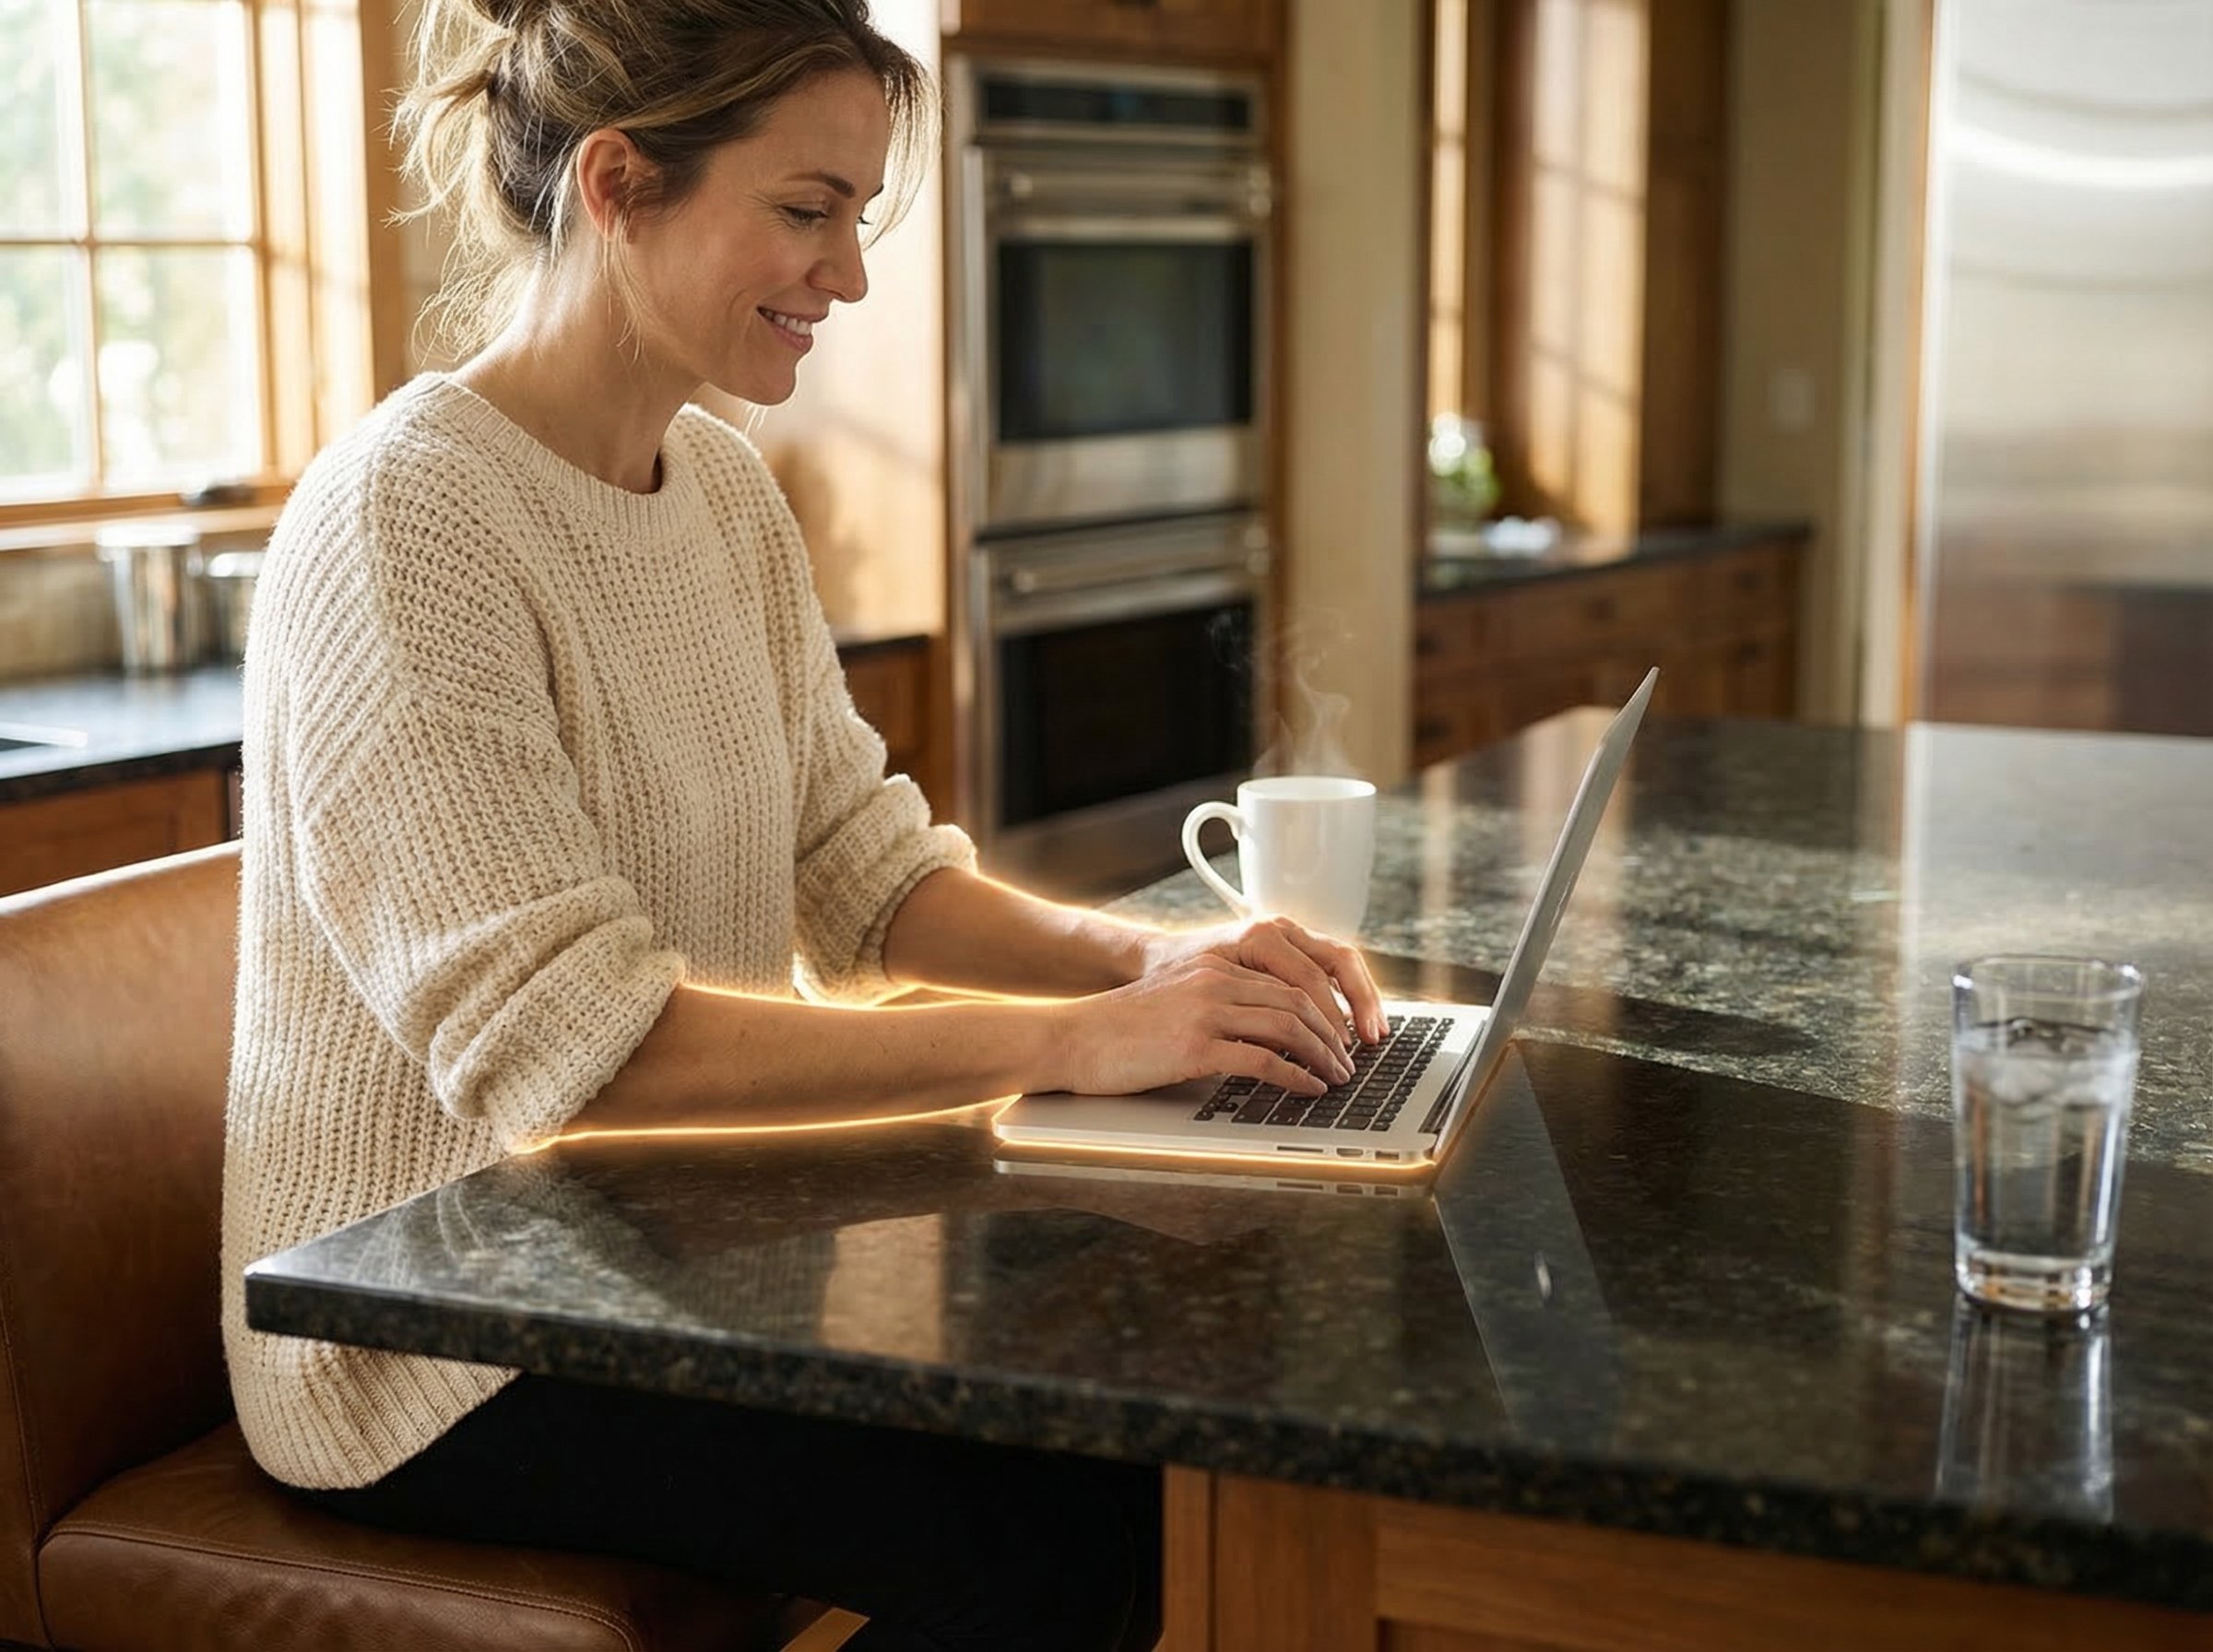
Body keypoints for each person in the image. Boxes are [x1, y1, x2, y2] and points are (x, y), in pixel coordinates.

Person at [220, 0, 1387, 1646]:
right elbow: (582, 1056)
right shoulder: (405, 524)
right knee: (1070, 1525)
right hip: (438, 1343)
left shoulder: (719, 491)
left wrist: (1166, 964)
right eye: (806, 207)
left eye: (857, 215)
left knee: (1151, 1411)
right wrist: (1076, 1044)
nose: (846, 274)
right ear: (620, 185)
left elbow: (868, 874)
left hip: (674, 1265)